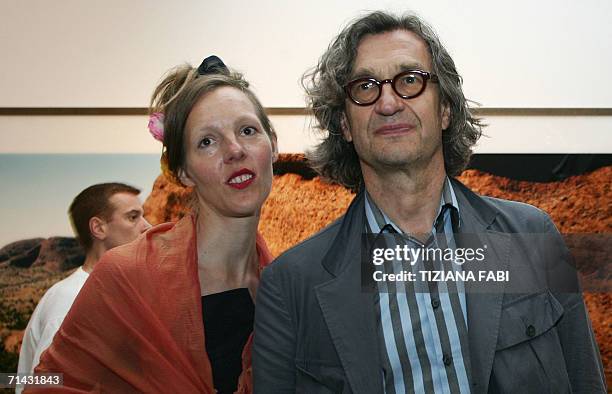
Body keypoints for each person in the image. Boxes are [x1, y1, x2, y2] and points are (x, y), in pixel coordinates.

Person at [252, 11, 606, 394]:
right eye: (366, 87)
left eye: (409, 80)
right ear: (344, 125)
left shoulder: (532, 237)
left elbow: (585, 380)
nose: (388, 103)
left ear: (445, 110)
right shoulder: (290, 286)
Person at [29, 56, 277, 394]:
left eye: (248, 130)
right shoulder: (127, 278)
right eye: (207, 141)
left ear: (272, 145)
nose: (235, 150)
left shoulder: (284, 283)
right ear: (184, 171)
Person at [16, 182, 150, 393]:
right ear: (98, 228)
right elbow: (45, 384)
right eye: (133, 217)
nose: (147, 226)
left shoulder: (117, 291)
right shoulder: (70, 301)